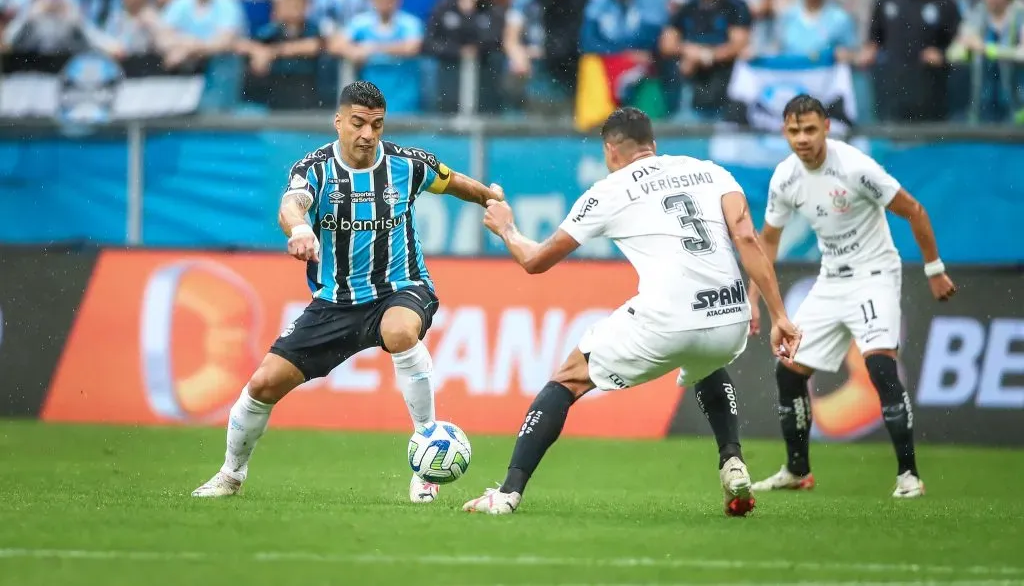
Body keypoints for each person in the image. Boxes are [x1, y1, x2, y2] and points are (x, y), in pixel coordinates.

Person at [462, 107, 802, 516]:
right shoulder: (711, 172)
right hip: (730, 316)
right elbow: (747, 236)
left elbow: (536, 261)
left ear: (610, 151)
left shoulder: (609, 190)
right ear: (653, 146)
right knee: (706, 362)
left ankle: (506, 494)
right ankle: (732, 460)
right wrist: (779, 314)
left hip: (671, 319)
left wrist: (506, 228)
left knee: (567, 379)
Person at [192, 80, 505, 503]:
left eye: (376, 125)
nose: (367, 135)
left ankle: (426, 454)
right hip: (335, 303)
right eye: (358, 123)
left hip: (402, 287)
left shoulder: (405, 164)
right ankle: (230, 475)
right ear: (338, 122)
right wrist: (301, 229)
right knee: (263, 385)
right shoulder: (315, 169)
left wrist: (490, 198)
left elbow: (451, 181)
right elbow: (291, 205)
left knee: (399, 333)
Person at [748, 94, 957, 500]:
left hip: (874, 276)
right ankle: (797, 470)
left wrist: (934, 269)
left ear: (826, 127)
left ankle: (908, 476)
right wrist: (755, 297)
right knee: (787, 370)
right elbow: (767, 242)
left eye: (810, 129)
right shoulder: (785, 178)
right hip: (831, 281)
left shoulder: (855, 167)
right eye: (794, 131)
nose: (802, 139)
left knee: (880, 369)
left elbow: (913, 209)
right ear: (783, 132)